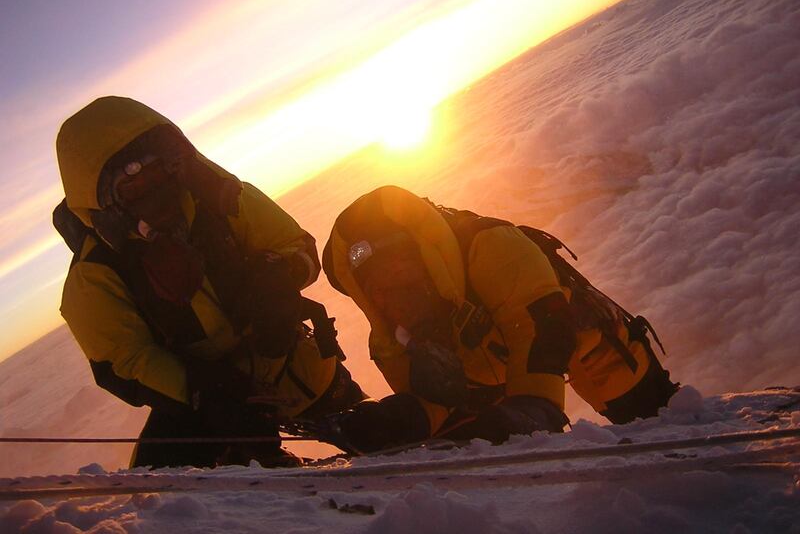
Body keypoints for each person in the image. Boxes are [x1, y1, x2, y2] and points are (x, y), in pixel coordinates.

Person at [54, 96, 363, 468]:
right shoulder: (95, 275)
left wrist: (281, 278)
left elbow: (296, 246)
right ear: (106, 203)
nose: (153, 191)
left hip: (293, 365)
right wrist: (203, 391)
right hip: (206, 406)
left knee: (373, 431)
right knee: (165, 494)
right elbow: (127, 359)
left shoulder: (223, 202)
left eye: (156, 173)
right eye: (132, 188)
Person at [321, 185, 678, 453]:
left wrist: (534, 409)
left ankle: (673, 420)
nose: (390, 294)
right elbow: (433, 402)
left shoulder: (492, 248)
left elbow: (543, 331)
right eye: (375, 288)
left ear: (423, 256)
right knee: (476, 430)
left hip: (571, 334)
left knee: (649, 412)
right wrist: (395, 421)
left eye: (396, 273)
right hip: (484, 369)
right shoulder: (388, 340)